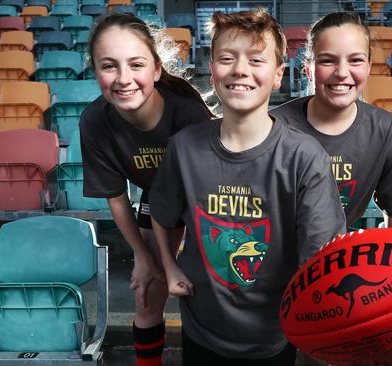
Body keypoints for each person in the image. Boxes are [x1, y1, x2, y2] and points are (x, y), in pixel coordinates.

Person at [148, 9, 346, 365]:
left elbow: (320, 259)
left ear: (277, 75)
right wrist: (170, 267)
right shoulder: (184, 147)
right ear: (213, 70)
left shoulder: (303, 157)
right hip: (201, 330)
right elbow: (161, 213)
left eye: (256, 59)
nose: (240, 69)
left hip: (272, 337)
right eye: (227, 58)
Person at [79, 12, 213, 366]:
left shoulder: (189, 116)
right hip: (157, 200)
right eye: (109, 66)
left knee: (207, 289)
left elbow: (204, 197)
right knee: (146, 293)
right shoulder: (95, 121)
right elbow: (118, 197)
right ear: (95, 72)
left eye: (135, 64)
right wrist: (143, 256)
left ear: (156, 69)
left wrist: (176, 263)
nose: (123, 79)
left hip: (208, 200)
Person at [271, 11, 392, 229]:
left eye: (355, 60)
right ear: (309, 69)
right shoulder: (275, 127)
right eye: (328, 61)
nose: (342, 73)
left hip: (336, 257)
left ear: (369, 68)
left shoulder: (386, 131)